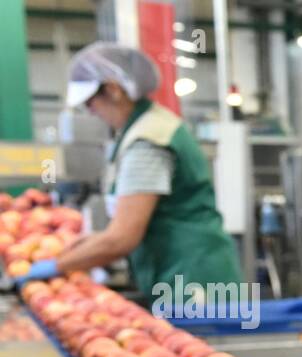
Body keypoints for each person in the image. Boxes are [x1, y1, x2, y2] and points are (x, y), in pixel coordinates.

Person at [21, 42, 241, 296]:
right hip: (183, 272)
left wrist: (57, 266)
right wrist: (86, 245)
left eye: (90, 103)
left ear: (114, 90)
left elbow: (122, 239)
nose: (91, 113)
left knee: (200, 337)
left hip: (193, 279)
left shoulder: (148, 141)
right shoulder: (144, 129)